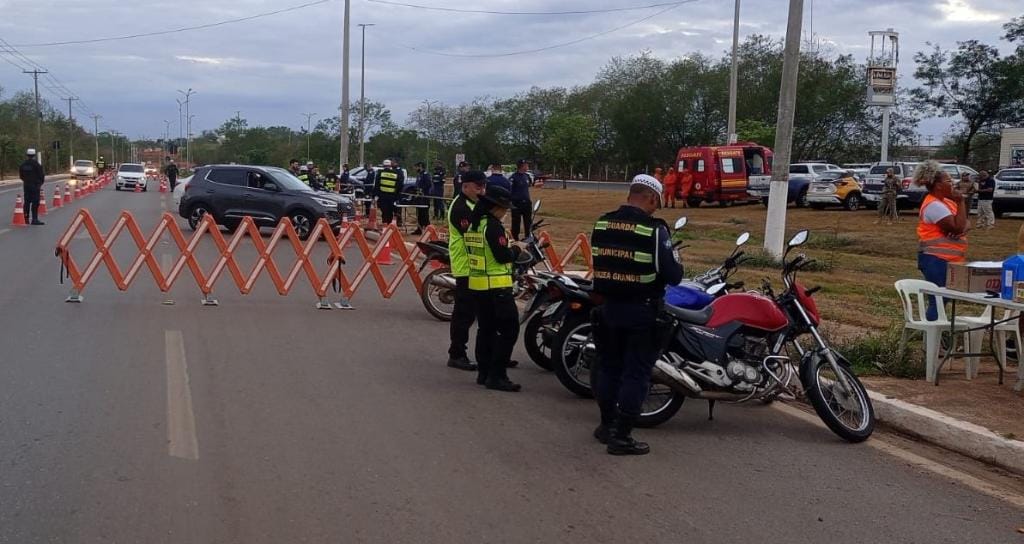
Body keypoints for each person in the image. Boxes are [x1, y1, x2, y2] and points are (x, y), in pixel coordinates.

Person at [590, 174, 684, 455]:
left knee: (609, 368)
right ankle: (622, 436)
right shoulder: (654, 230)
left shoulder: (603, 222)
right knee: (636, 374)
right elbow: (673, 275)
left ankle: (606, 426)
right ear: (651, 198)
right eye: (658, 203)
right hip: (641, 311)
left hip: (608, 309)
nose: (657, 208)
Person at [466, 182, 523, 392]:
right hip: (497, 288)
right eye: (505, 209)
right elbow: (502, 256)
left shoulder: (476, 224)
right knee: (509, 331)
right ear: (496, 208)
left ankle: (484, 372)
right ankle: (497, 375)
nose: (506, 213)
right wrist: (516, 249)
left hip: (479, 286)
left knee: (486, 330)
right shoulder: (493, 226)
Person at [914, 161, 968, 321]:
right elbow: (957, 227)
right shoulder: (934, 205)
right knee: (938, 298)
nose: (953, 184)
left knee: (945, 298)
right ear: (937, 185)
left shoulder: (947, 202)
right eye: (948, 181)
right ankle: (932, 335)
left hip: (949, 259)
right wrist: (961, 202)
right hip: (935, 259)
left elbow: (965, 223)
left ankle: (939, 334)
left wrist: (962, 226)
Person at [446, 170, 487, 372]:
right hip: (466, 267)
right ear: (466, 186)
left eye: (483, 186)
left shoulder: (474, 203)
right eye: (478, 186)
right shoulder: (461, 207)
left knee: (484, 312)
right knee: (464, 313)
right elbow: (474, 233)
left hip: (478, 266)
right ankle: (456, 354)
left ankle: (491, 354)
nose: (482, 190)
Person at [19, 149, 45, 225]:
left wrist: (26, 181)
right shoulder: (37, 164)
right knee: (35, 202)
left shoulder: (23, 165)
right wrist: (39, 184)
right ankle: (34, 219)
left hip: (26, 185)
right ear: (34, 155)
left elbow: (21, 176)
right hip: (35, 186)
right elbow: (41, 175)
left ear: (27, 155)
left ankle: (26, 219)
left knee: (27, 202)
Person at [509, 159, 533, 241]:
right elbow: (510, 190)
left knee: (528, 222)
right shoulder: (513, 177)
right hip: (516, 204)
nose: (527, 166)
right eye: (526, 165)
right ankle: (515, 239)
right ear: (522, 166)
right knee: (516, 223)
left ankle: (528, 237)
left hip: (526, 203)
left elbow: (529, 186)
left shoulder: (527, 176)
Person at [375, 159, 403, 225]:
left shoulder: (380, 173)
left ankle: (385, 224)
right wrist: (397, 196)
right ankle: (390, 224)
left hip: (382, 196)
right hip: (392, 196)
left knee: (384, 211)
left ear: (383, 166)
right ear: (390, 165)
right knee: (390, 211)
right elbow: (399, 186)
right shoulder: (395, 174)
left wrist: (375, 195)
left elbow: (377, 185)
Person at [413, 162, 432, 235]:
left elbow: (428, 184)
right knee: (419, 214)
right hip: (419, 198)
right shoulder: (419, 175)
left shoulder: (426, 174)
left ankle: (428, 230)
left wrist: (422, 190)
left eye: (416, 167)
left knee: (425, 214)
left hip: (424, 197)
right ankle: (419, 229)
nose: (415, 169)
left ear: (420, 166)